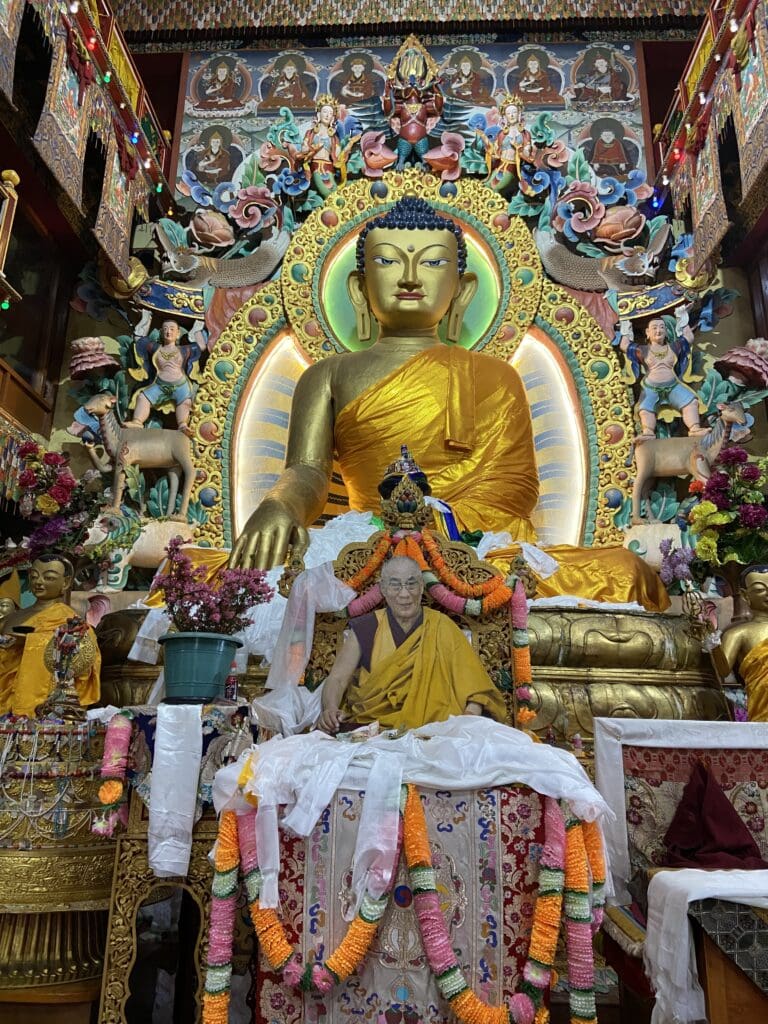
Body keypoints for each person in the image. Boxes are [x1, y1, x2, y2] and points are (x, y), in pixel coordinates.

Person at [231, 196, 669, 611]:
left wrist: (432, 528)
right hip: (367, 543)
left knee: (626, 573)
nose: (409, 277)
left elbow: (513, 489)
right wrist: (281, 504)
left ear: (462, 290)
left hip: (473, 547)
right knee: (196, 572)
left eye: (432, 263)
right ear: (359, 288)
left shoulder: (497, 376)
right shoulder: (326, 375)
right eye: (387, 262)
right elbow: (307, 470)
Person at [316, 556, 506, 733]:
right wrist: (330, 709)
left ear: (422, 587)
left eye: (411, 584)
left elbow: (475, 690)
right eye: (395, 585)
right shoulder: (366, 628)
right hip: (375, 731)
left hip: (437, 732)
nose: (404, 594)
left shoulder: (443, 627)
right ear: (382, 588)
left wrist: (468, 719)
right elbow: (338, 679)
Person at [0, 556, 100, 717]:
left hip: (46, 707)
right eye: (34, 576)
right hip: (5, 700)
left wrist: (31, 643)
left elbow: (84, 658)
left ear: (66, 583)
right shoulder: (10, 619)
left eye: (49, 577)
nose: (39, 582)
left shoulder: (70, 620)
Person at [619, 309, 706, 437]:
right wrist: (626, 326)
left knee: (691, 402)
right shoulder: (643, 350)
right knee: (644, 409)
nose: (658, 331)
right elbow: (624, 345)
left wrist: (682, 316)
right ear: (647, 332)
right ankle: (648, 432)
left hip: (673, 387)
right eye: (654, 328)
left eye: (661, 328)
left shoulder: (673, 347)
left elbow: (689, 338)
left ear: (666, 332)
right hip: (651, 389)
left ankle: (694, 428)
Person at [712, 565, 768, 722]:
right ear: (745, 595)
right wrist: (713, 645)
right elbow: (721, 671)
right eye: (759, 589)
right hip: (763, 712)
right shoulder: (738, 633)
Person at [127, 318, 203, 432]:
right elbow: (139, 339)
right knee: (142, 397)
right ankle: (137, 422)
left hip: (180, 385)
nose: (168, 332)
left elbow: (201, 346)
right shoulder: (156, 348)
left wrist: (198, 327)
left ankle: (182, 425)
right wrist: (146, 317)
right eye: (165, 329)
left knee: (185, 402)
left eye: (172, 329)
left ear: (178, 333)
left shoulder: (184, 350)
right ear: (161, 333)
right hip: (159, 385)